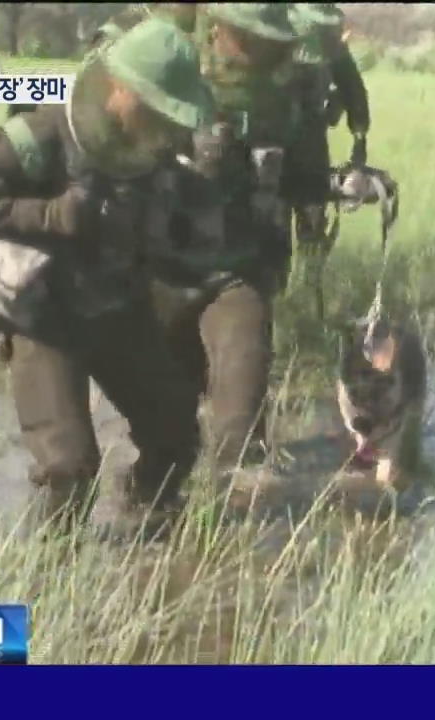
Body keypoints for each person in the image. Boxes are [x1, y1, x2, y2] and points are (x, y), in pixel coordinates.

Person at [0, 17, 215, 538]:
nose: (164, 122)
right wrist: (54, 215)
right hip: (44, 317)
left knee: (176, 433)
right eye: (153, 105)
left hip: (120, 308)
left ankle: (147, 522)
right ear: (118, 87)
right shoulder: (38, 134)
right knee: (67, 467)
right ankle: (53, 576)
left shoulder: (155, 150)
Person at [141, 3, 306, 491]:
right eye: (246, 36)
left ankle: (235, 542)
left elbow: (301, 178)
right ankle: (158, 527)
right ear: (216, 31)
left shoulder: (280, 102)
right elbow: (111, 161)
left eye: (266, 38)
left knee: (241, 409)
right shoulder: (165, 78)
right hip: (163, 272)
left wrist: (348, 182)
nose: (257, 48)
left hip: (237, 270)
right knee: (163, 426)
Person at [286, 3, 371, 269]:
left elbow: (355, 92)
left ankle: (309, 286)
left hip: (310, 141)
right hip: (267, 139)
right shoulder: (269, 39)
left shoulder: (333, 48)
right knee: (266, 229)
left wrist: (358, 150)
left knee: (312, 218)